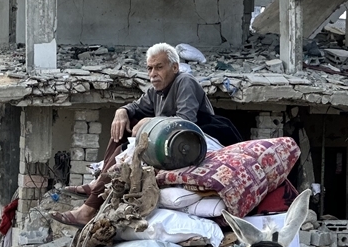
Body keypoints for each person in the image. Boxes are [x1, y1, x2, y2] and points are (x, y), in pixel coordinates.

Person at [51, 42, 240, 226]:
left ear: (175, 67)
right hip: (172, 139)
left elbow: (186, 121)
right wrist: (121, 111)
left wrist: (149, 122)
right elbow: (135, 107)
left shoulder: (185, 82)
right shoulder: (155, 91)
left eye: (159, 67)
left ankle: (88, 210)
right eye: (149, 68)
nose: (152, 74)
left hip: (199, 138)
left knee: (131, 147)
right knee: (125, 123)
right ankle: (99, 181)